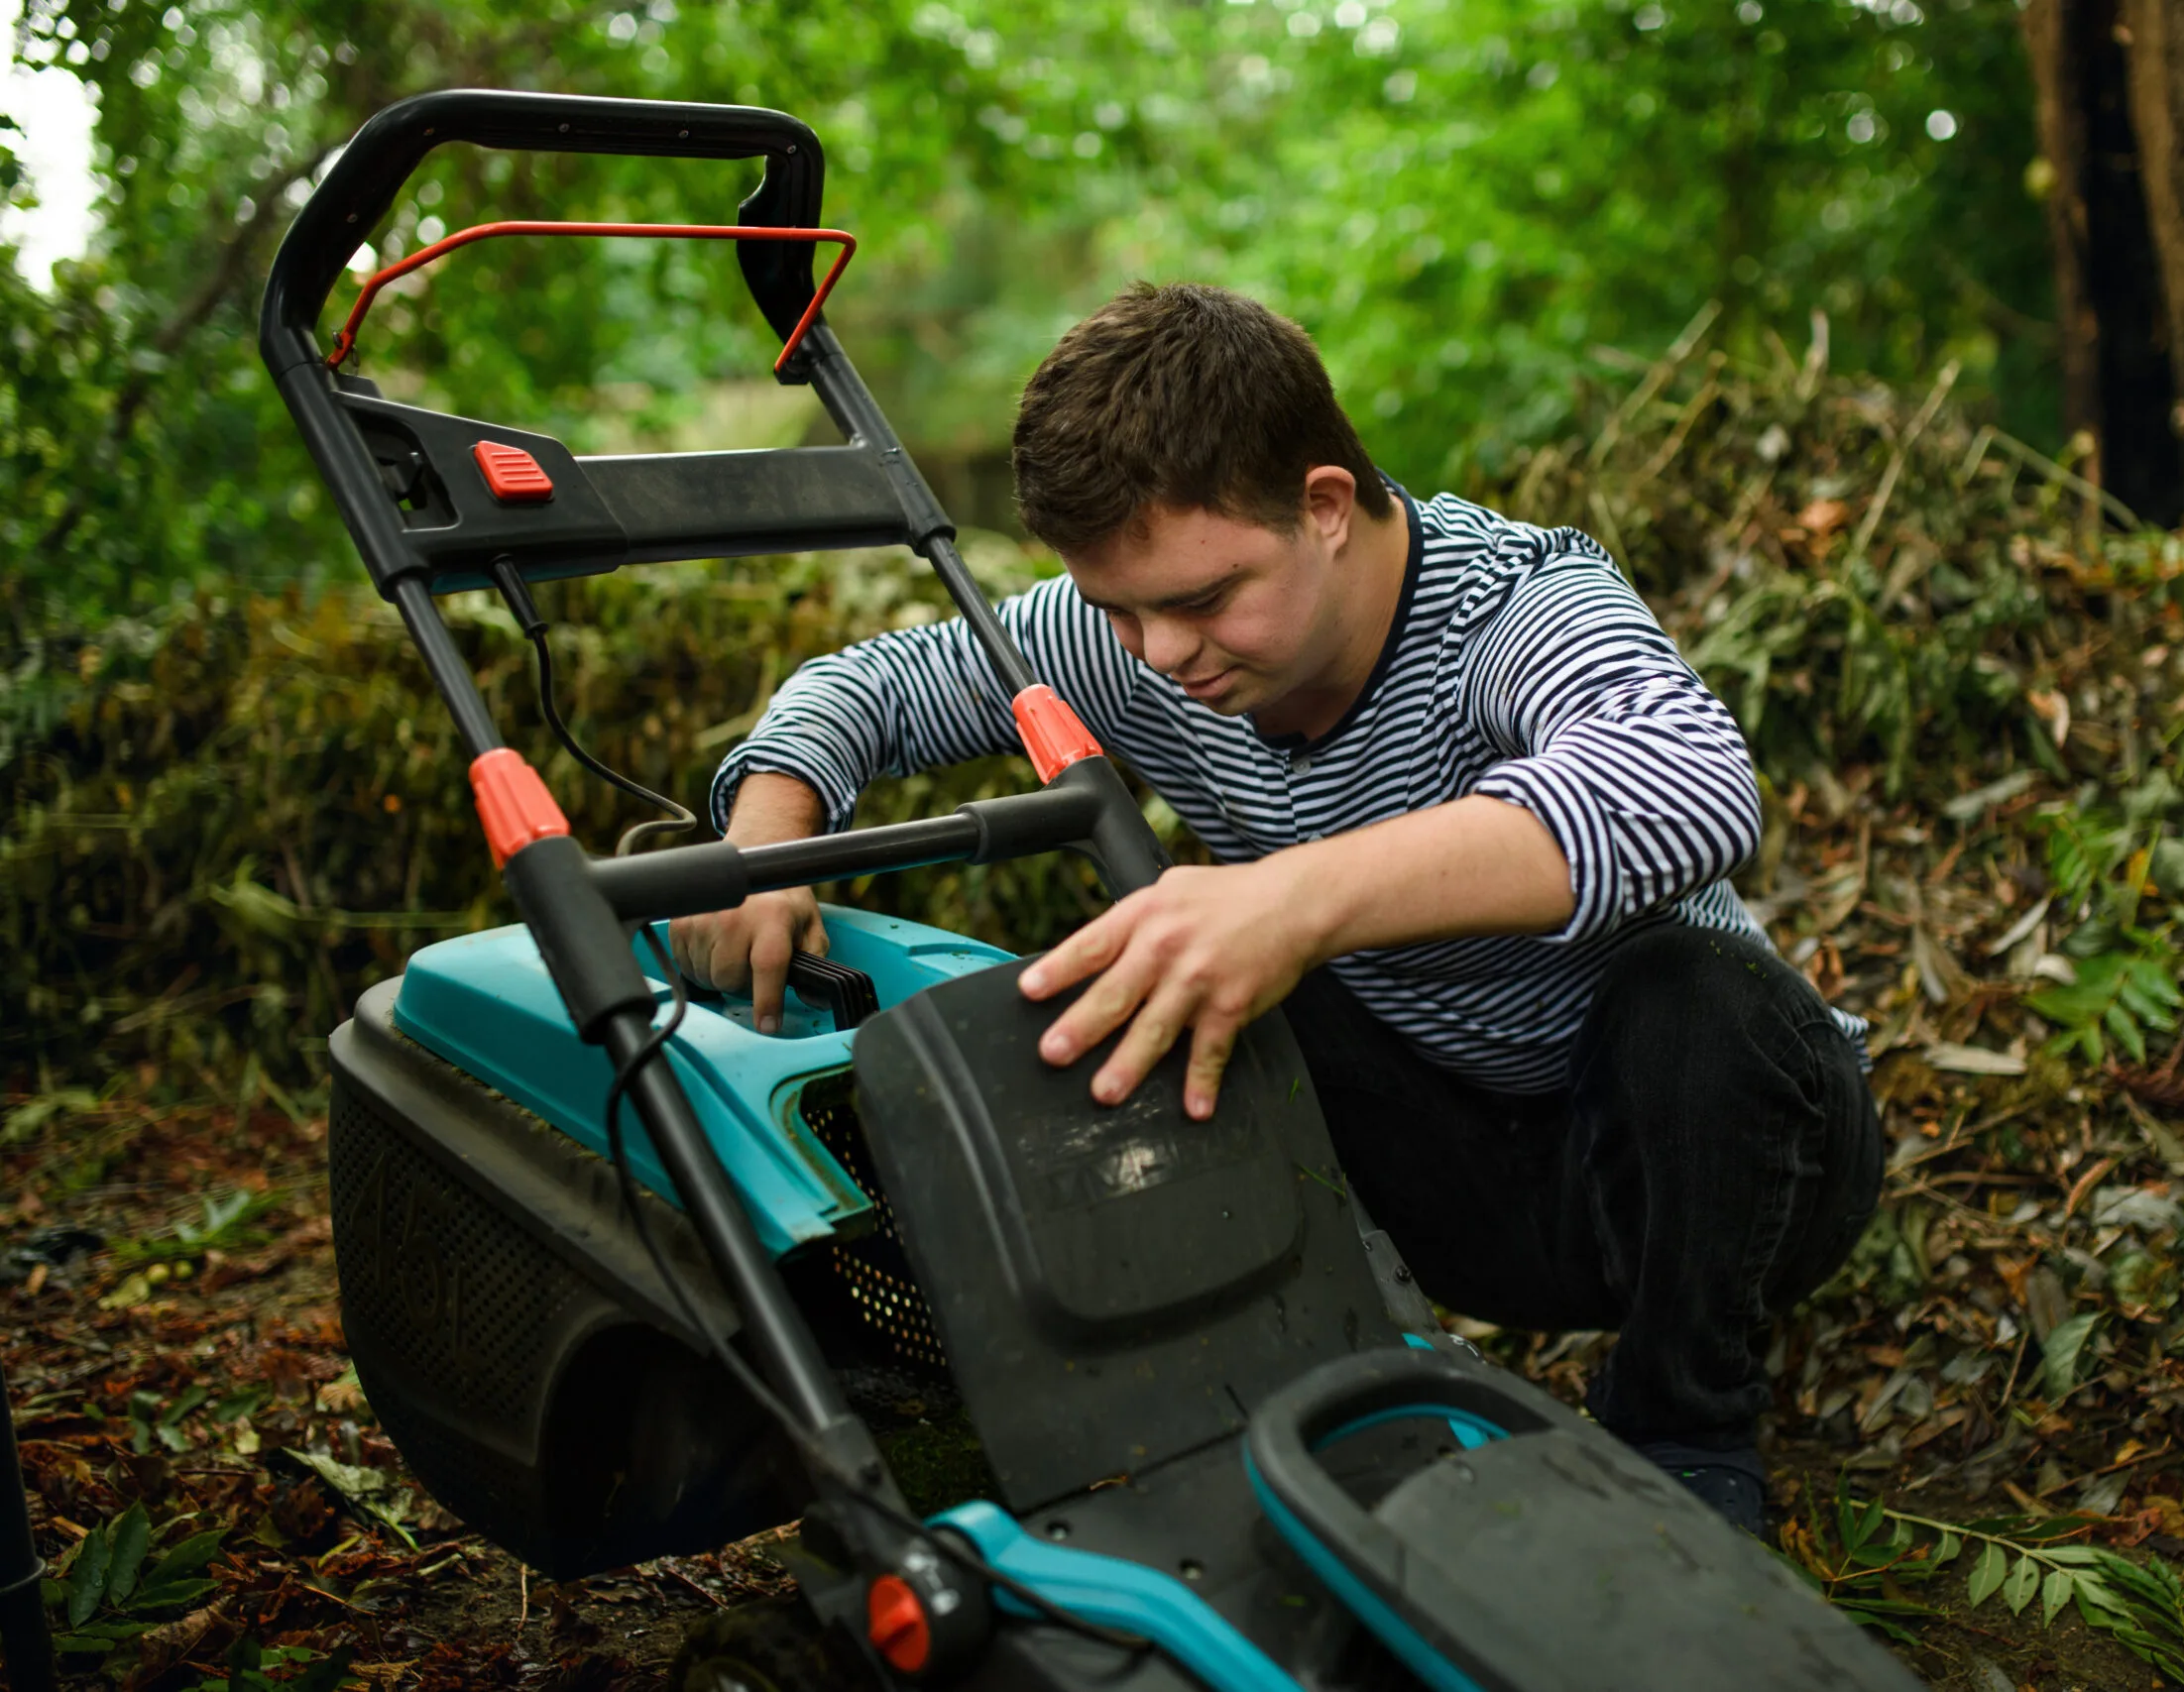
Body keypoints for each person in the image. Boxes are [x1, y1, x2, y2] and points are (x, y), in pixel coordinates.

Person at [669, 282, 1882, 1534]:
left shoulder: (1512, 605)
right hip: (1467, 1179)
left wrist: (1294, 897)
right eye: (1113, 608)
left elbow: (1686, 778)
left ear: (1323, 507)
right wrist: (766, 837)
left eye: (1199, 601)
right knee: (1175, 982)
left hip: (1734, 1176)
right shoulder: (1139, 643)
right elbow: (873, 683)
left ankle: (1685, 1431)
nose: (1156, 653)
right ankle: (1281, 1394)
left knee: (1696, 996)